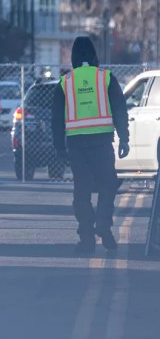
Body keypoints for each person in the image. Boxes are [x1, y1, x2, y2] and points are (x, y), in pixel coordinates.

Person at [54, 36, 130, 254]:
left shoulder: (65, 82)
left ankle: (87, 239)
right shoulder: (106, 78)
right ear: (94, 54)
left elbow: (56, 118)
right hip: (102, 143)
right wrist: (124, 138)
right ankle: (103, 223)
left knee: (82, 191)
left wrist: (59, 147)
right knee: (108, 185)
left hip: (76, 145)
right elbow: (120, 110)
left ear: (73, 56)